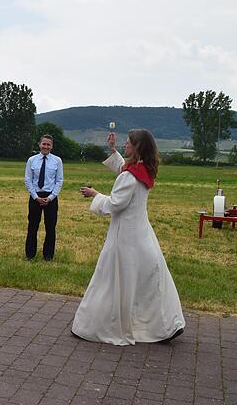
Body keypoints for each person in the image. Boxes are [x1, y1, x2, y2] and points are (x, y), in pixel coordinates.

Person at [73, 130, 185, 346]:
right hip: (142, 232)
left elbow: (116, 203)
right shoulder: (144, 170)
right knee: (149, 277)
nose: (125, 145)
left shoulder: (130, 176)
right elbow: (125, 171)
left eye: (127, 143)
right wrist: (113, 151)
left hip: (124, 234)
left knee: (112, 278)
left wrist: (95, 195)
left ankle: (99, 324)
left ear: (137, 147)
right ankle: (164, 324)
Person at [24, 134, 63, 261]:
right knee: (32, 226)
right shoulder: (31, 160)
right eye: (44, 144)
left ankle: (48, 256)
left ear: (52, 146)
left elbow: (59, 181)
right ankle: (30, 254)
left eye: (48, 144)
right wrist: (35, 197)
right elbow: (28, 180)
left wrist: (51, 197)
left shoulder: (57, 161)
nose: (46, 146)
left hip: (50, 197)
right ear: (39, 144)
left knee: (50, 227)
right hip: (35, 197)